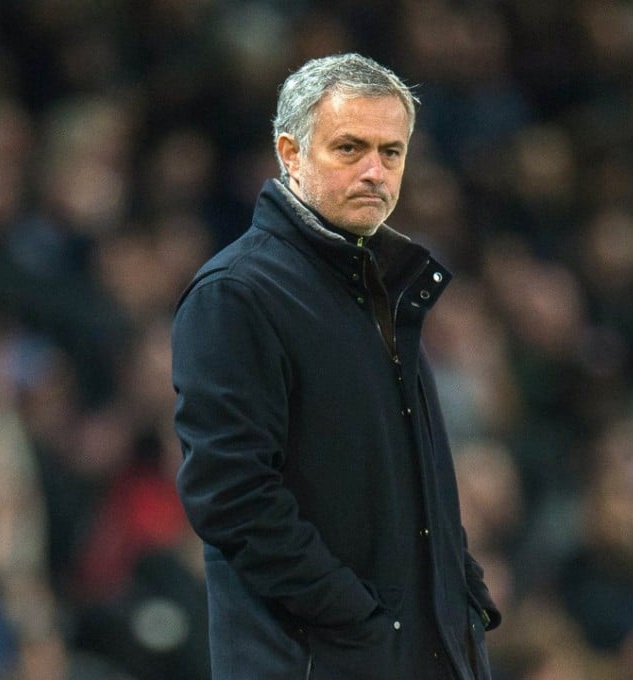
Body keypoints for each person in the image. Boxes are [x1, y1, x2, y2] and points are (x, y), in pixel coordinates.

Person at [171, 53, 501, 680]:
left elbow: (413, 481)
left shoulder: (386, 285)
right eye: (349, 148)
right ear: (290, 152)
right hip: (319, 662)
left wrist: (462, 599)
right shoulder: (236, 294)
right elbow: (231, 497)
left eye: (392, 152)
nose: (375, 171)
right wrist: (357, 619)